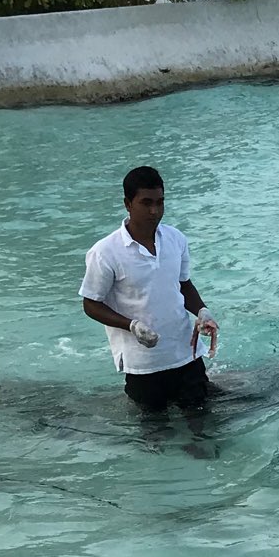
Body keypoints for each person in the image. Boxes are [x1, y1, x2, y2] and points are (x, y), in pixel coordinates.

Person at [80, 166, 220, 413]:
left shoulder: (176, 239)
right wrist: (132, 325)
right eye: (146, 203)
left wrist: (202, 311)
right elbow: (91, 303)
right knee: (155, 435)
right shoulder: (105, 252)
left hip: (186, 353)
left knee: (201, 423)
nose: (154, 211)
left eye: (160, 202)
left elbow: (183, 284)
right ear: (128, 203)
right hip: (143, 363)